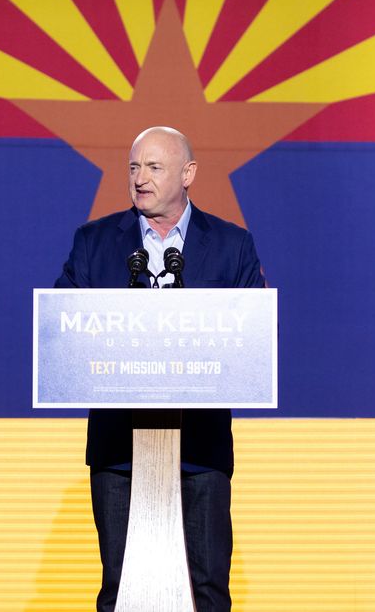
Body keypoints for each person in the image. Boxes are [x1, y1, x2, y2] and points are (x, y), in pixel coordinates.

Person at [55, 126, 266, 612]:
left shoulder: (233, 247)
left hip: (201, 450)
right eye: (133, 167)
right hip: (118, 451)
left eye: (154, 167)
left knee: (208, 590)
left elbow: (251, 340)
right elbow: (62, 330)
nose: (140, 178)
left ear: (188, 174)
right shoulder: (93, 243)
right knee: (120, 589)